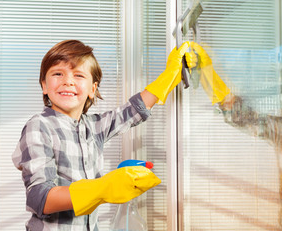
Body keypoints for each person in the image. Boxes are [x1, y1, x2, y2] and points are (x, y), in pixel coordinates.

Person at [12, 39, 193, 230]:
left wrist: (169, 76)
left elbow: (132, 111)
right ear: (44, 86)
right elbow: (40, 198)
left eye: (79, 75)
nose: (68, 81)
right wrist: (103, 187)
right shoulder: (39, 126)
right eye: (58, 73)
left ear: (92, 89)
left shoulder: (93, 127)